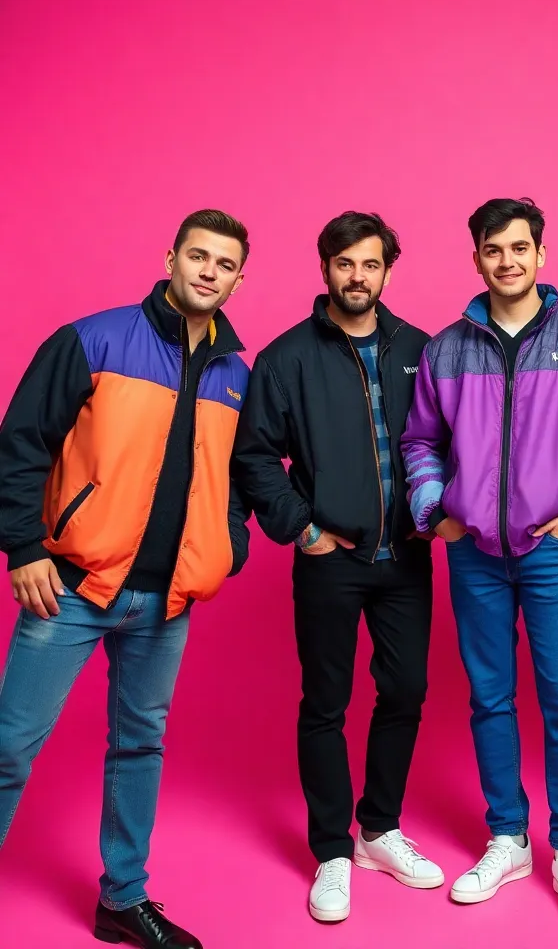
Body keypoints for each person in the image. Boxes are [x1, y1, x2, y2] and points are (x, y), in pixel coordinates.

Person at [0, 209, 252, 949]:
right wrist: (23, 548)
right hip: (72, 586)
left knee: (140, 745)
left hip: (168, 600)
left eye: (224, 263)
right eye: (197, 256)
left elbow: (237, 476)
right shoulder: (94, 339)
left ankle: (123, 900)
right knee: (10, 744)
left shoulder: (237, 374)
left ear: (241, 277)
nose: (208, 271)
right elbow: (21, 441)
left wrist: (226, 546)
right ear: (170, 256)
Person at [401, 197, 558, 929]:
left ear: (542, 254)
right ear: (475, 259)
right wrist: (436, 510)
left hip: (550, 554)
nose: (507, 261)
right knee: (489, 699)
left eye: (519, 248)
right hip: (474, 555)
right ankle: (508, 839)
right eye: (492, 250)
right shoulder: (446, 349)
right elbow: (419, 443)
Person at [231, 211, 441, 925]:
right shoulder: (287, 357)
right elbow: (256, 455)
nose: (359, 277)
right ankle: (332, 851)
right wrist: (302, 529)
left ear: (388, 269)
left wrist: (443, 511)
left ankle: (378, 830)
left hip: (407, 559)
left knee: (405, 691)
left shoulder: (419, 348)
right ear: (325, 267)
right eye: (345, 263)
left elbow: (447, 440)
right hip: (332, 559)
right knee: (325, 703)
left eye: (371, 264)